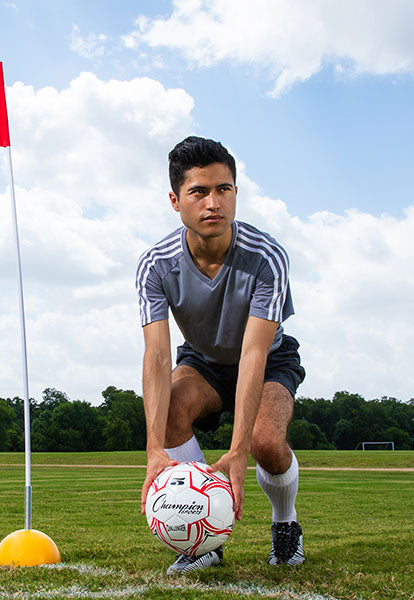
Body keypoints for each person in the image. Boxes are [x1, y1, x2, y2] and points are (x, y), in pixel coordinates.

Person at [135, 136, 306, 575]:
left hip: (268, 359)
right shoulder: (156, 264)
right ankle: (203, 541)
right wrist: (155, 448)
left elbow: (253, 352)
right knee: (171, 402)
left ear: (235, 192)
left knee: (265, 442)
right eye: (199, 192)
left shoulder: (266, 256)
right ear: (175, 201)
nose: (214, 202)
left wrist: (236, 451)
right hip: (203, 360)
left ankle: (285, 525)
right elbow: (156, 355)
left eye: (223, 189)